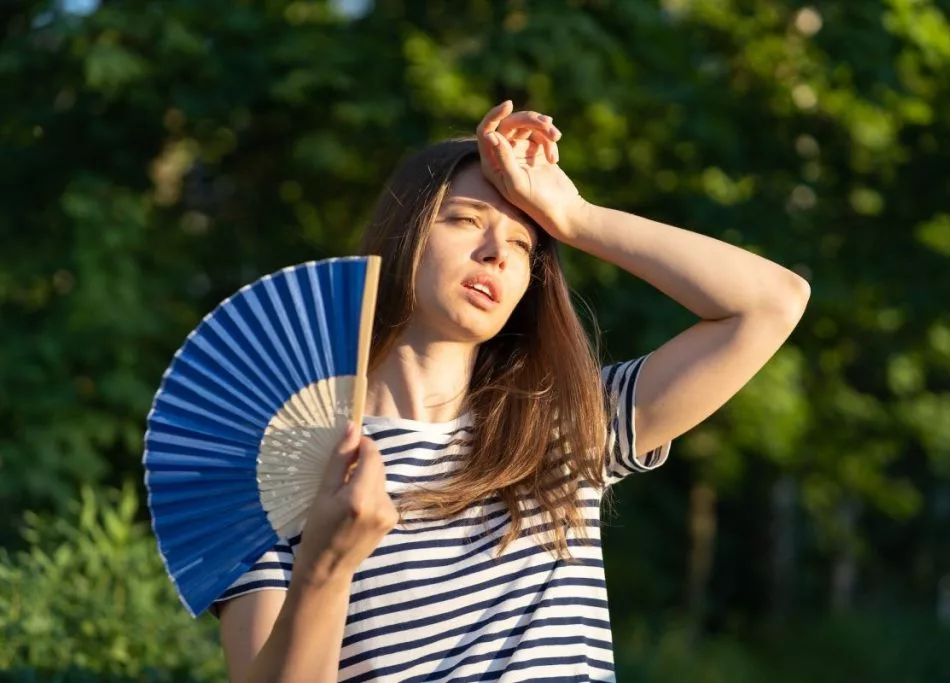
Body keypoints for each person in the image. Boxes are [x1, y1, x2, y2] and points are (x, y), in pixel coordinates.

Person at [215, 101, 810, 683]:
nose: (497, 253)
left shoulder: (566, 427)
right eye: (467, 219)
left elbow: (771, 303)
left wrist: (573, 218)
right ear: (404, 235)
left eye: (524, 244)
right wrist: (324, 566)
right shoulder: (283, 464)